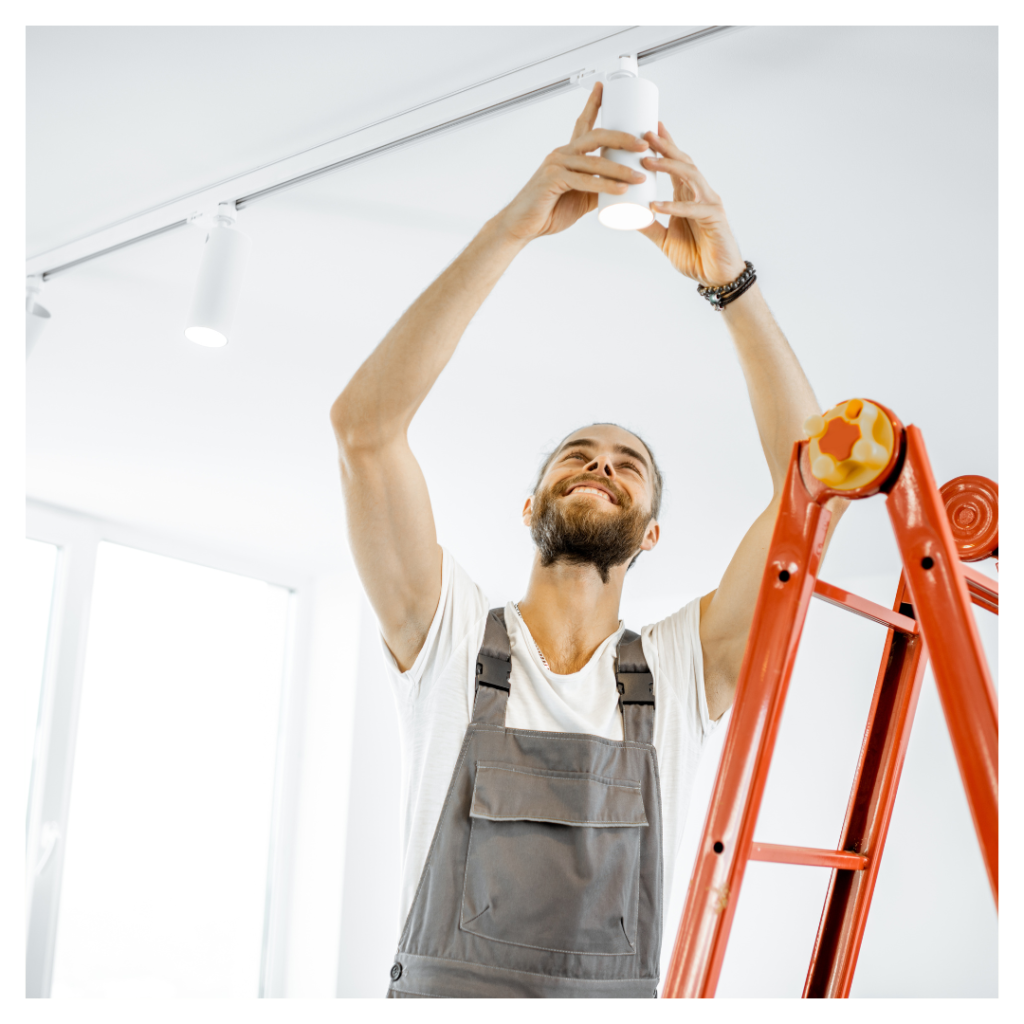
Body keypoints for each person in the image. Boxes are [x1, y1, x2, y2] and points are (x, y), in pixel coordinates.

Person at [330, 81, 846, 998]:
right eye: (578, 455)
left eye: (626, 463)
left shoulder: (681, 671)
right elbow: (364, 431)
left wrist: (729, 280)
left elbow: (816, 489)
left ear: (650, 534)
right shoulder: (448, 637)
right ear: (531, 504)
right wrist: (516, 227)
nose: (601, 463)